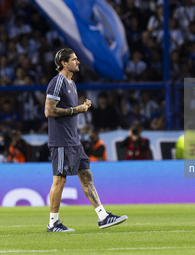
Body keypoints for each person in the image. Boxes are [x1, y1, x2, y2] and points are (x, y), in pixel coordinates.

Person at [44, 48, 127, 232]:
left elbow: (68, 110)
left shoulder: (72, 84)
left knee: (86, 176)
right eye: (74, 59)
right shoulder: (57, 82)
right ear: (64, 63)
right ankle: (53, 222)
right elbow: (49, 111)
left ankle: (103, 216)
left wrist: (81, 107)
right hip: (61, 140)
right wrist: (76, 110)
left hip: (74, 140)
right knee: (60, 180)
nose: (78, 62)